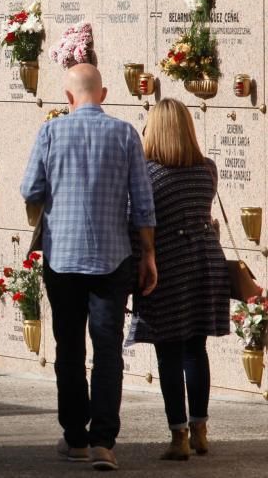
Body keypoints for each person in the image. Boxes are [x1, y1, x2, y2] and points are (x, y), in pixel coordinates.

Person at [20, 64, 157, 472]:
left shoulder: (50, 132)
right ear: (104, 93)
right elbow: (143, 202)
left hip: (62, 259)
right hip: (113, 259)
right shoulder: (126, 134)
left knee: (69, 349)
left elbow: (30, 189)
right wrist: (148, 254)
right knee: (108, 349)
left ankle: (75, 438)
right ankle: (104, 443)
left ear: (67, 97)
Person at [128, 98, 230, 460]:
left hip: (168, 267)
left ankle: (179, 437)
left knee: (168, 354)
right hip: (205, 264)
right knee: (195, 350)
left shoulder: (149, 175)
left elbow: (137, 222)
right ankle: (201, 429)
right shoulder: (208, 170)